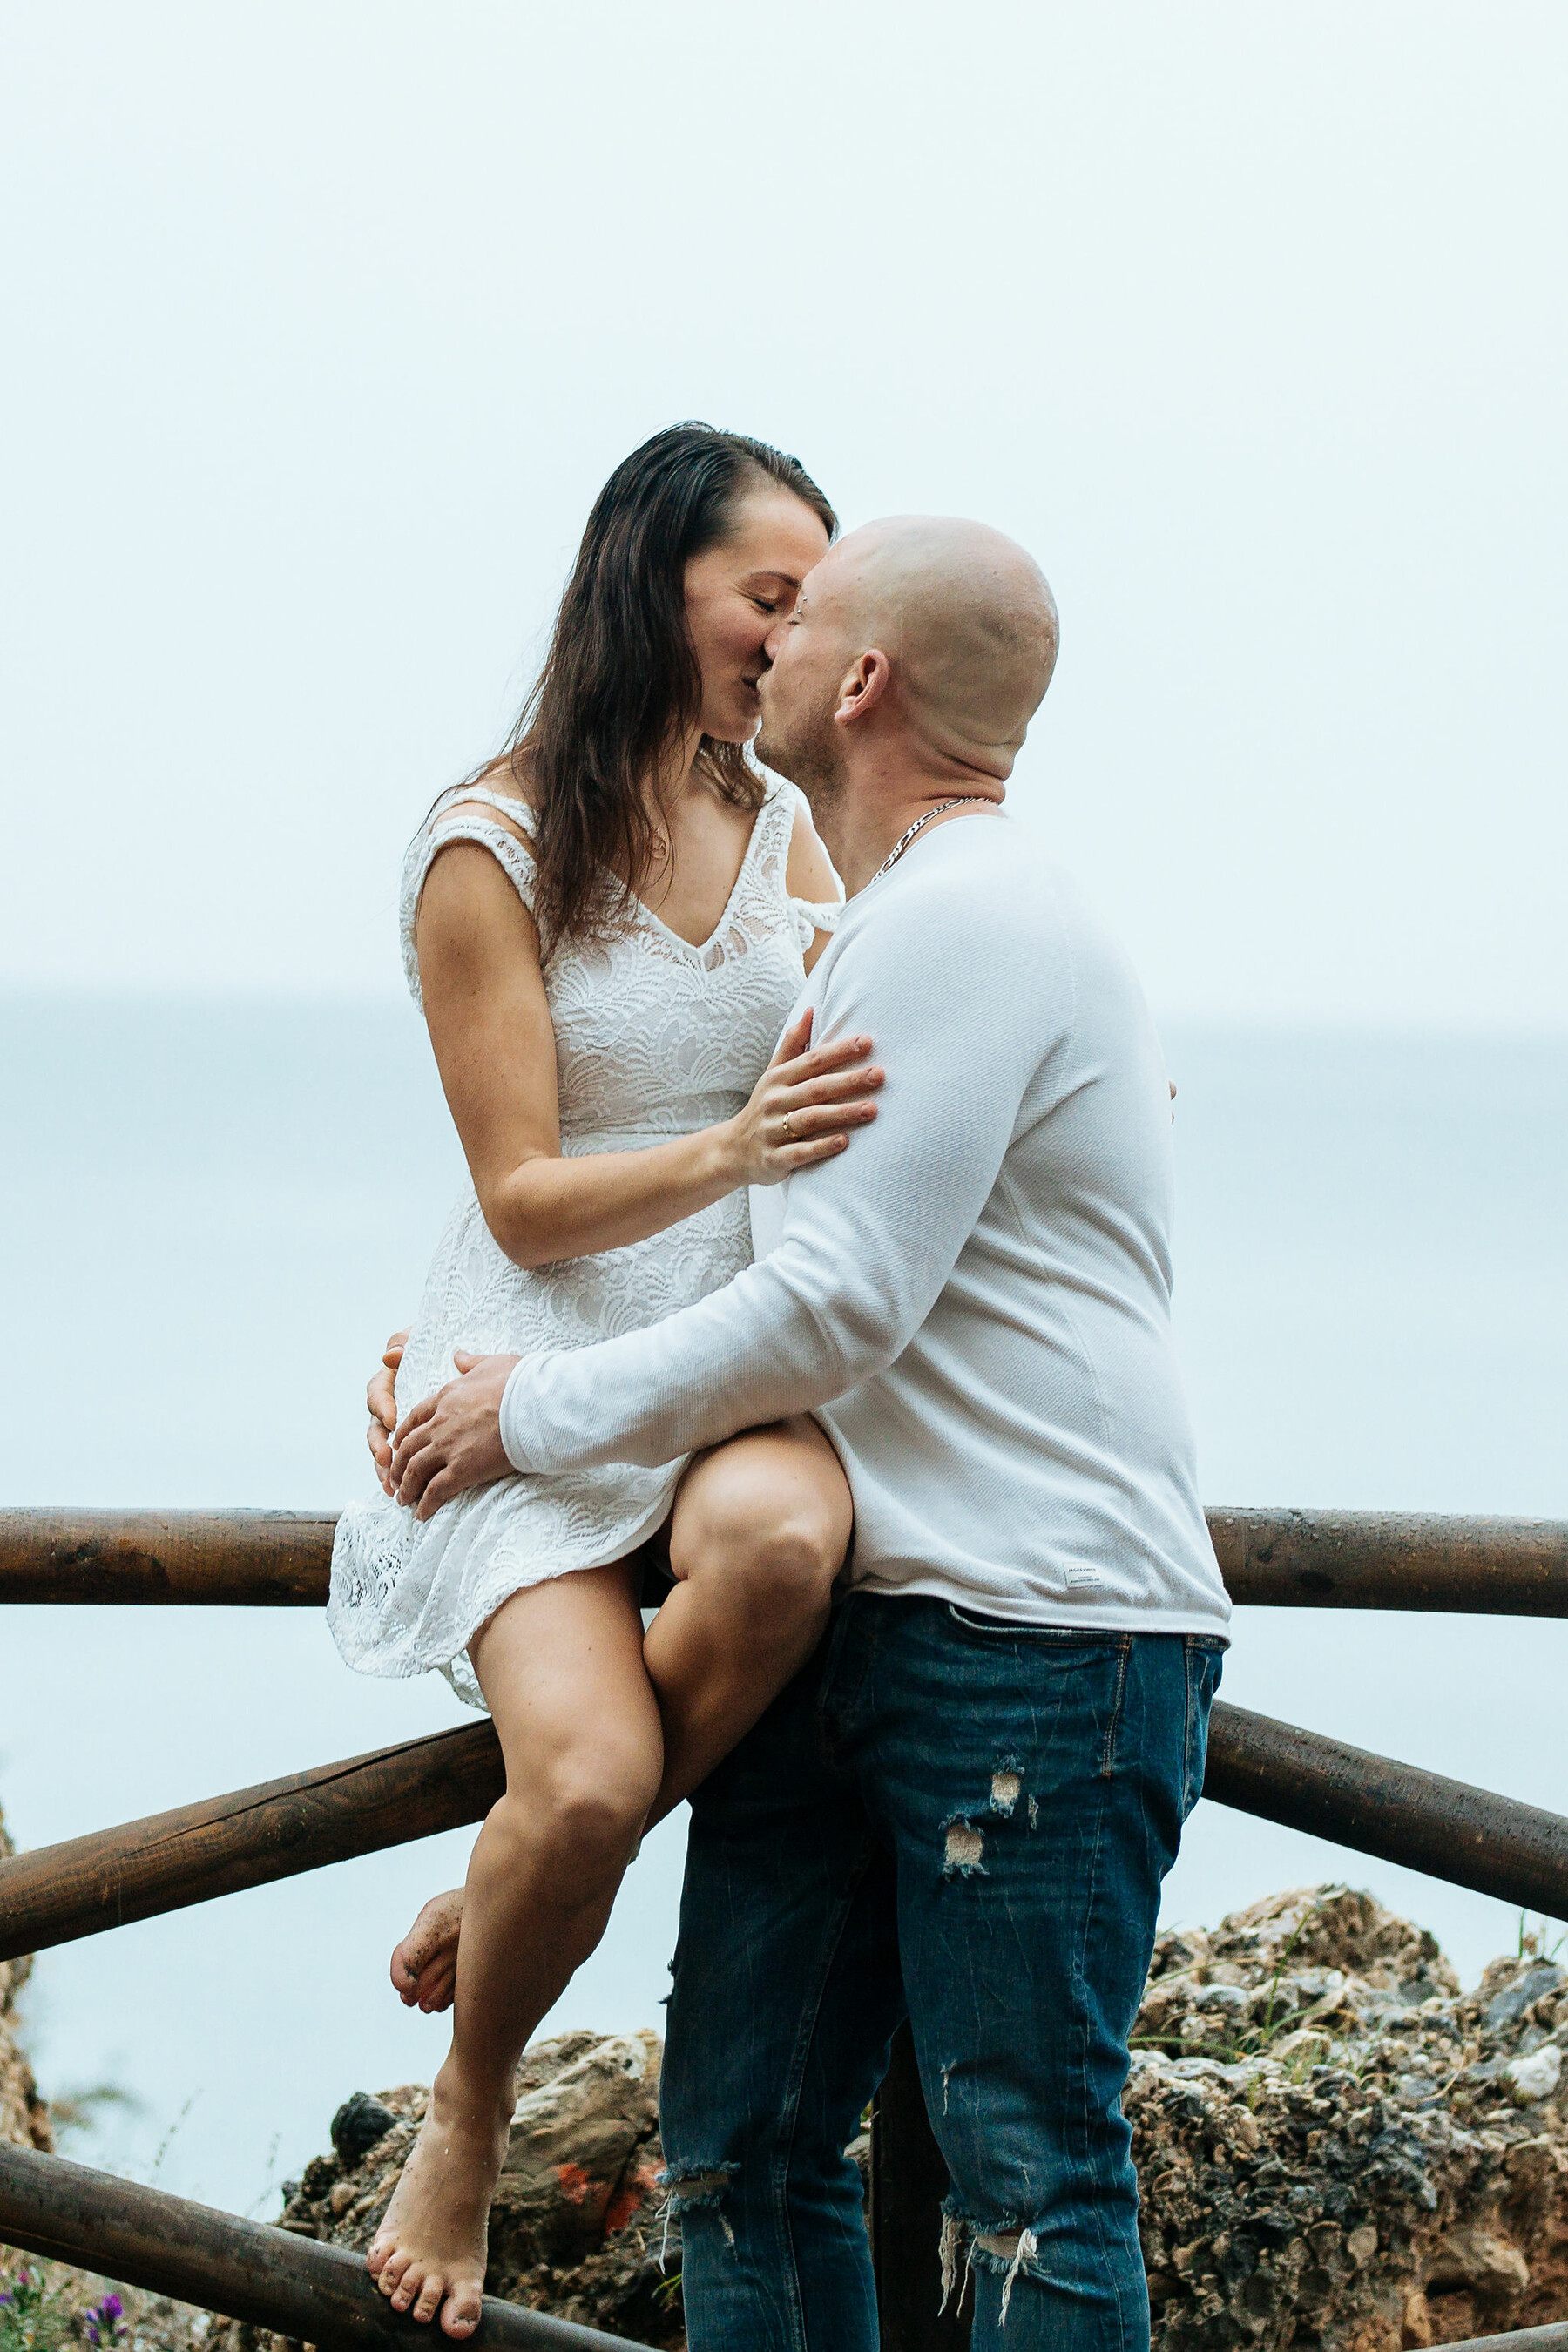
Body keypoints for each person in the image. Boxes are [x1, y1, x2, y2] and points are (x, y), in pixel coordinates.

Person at [385, 513, 1233, 2352]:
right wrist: (478, 1335)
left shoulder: (972, 916)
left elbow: (835, 1303)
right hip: (866, 1619)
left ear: (858, 684)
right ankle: (532, 1868)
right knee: (749, 2157)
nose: (765, 645)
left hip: (1040, 1633)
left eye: (803, 613)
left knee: (1026, 2178)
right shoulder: (893, 922)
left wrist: (518, 1408)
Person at [335, 423, 891, 2339]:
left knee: (780, 1563)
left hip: (730, 1375)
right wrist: (736, 1148)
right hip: (533, 1369)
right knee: (577, 1787)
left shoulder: (797, 833)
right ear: (655, 584)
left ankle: (505, 1897)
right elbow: (525, 1195)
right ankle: (470, 2107)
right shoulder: (486, 847)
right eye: (772, 595)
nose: (801, 633)